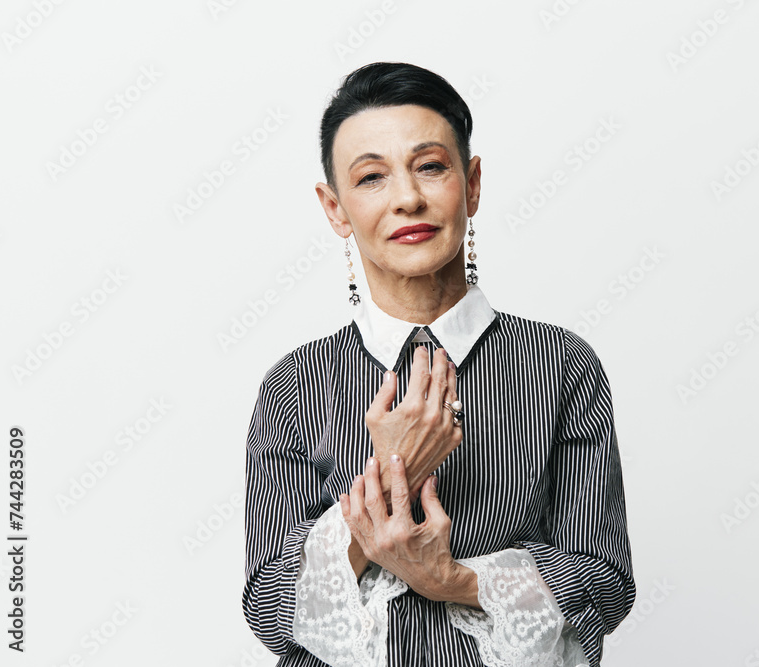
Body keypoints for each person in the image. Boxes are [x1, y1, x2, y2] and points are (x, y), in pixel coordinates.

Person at [243, 61, 635, 667]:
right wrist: (394, 468)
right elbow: (268, 608)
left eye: (430, 166)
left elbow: (605, 583)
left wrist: (449, 579)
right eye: (371, 177)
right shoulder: (294, 383)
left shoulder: (562, 365)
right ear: (335, 208)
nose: (407, 198)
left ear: (472, 183)